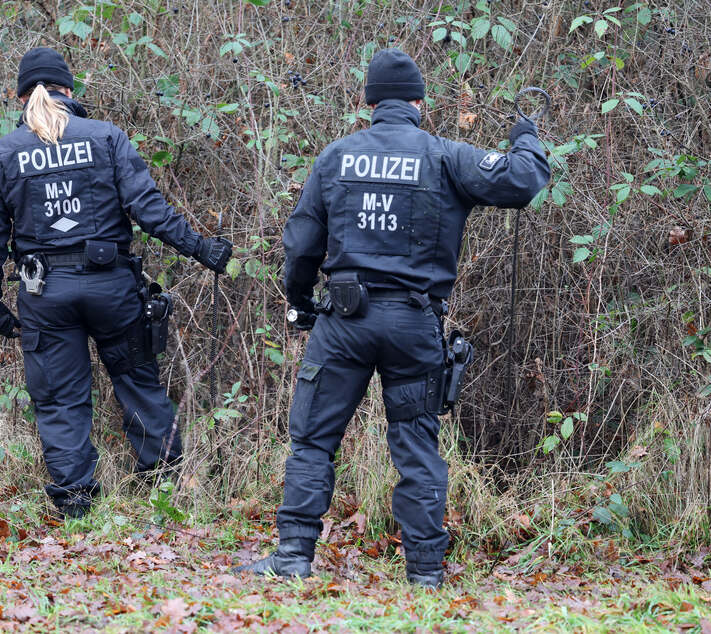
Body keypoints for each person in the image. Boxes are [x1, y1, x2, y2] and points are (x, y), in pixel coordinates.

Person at [234, 48, 550, 588]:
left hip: (343, 325)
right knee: (415, 446)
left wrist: (301, 299)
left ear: (369, 103)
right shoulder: (445, 155)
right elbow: (524, 180)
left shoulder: (337, 157)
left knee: (312, 440)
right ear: (420, 103)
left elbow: (302, 244)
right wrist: (526, 133)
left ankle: (292, 557)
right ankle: (425, 572)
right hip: (413, 325)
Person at [0, 48, 232, 519]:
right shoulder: (106, 138)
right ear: (68, 90)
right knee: (137, 383)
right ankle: (163, 489)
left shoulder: (3, 154)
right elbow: (150, 212)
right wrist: (202, 249)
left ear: (21, 96)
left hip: (43, 294)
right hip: (111, 288)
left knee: (59, 399)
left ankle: (75, 504)